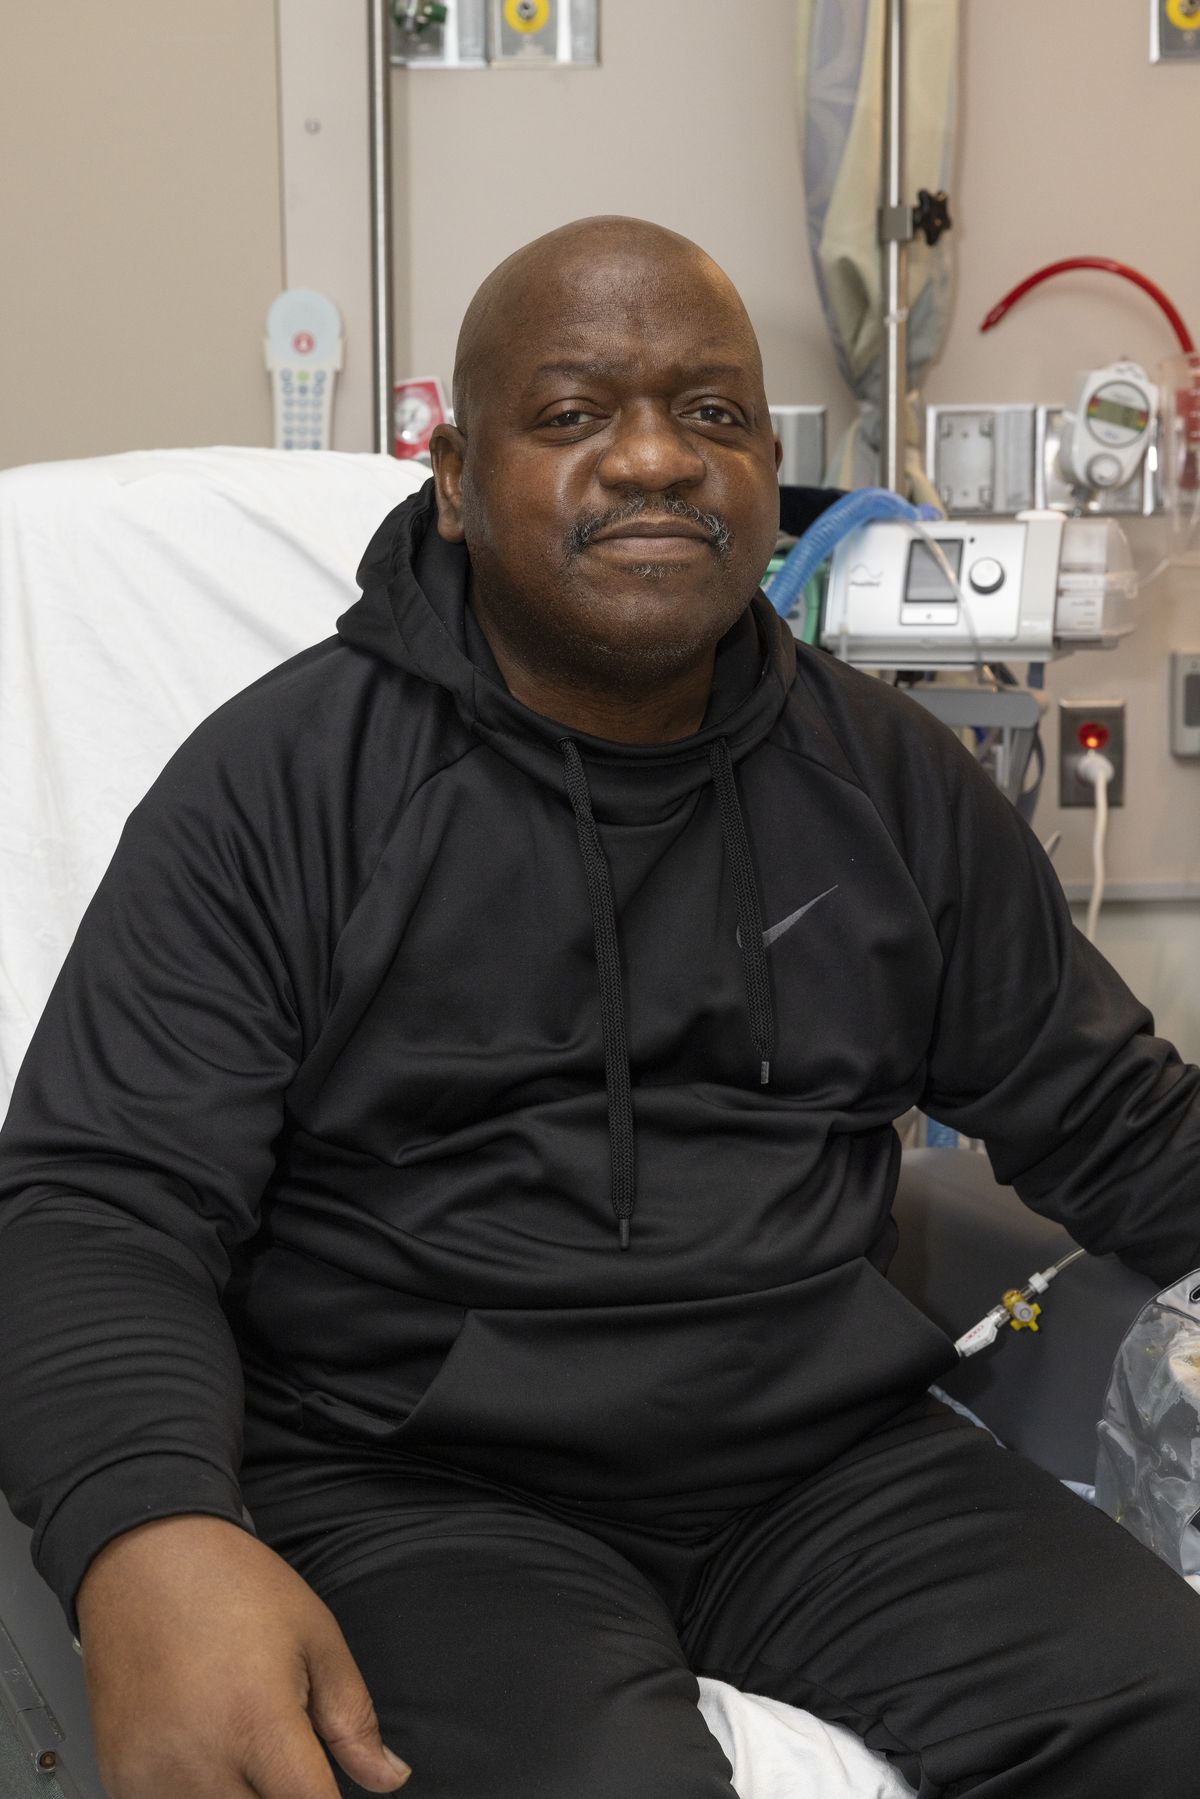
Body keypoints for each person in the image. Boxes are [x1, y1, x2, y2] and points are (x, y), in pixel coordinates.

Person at [1, 215, 1199, 1799]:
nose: (654, 461)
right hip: (405, 1484)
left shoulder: (887, 782)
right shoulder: (284, 786)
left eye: (712, 416)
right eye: (572, 416)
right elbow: (101, 1203)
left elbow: (1111, 1118)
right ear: (449, 476)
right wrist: (149, 1531)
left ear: (769, 472)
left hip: (818, 1466)